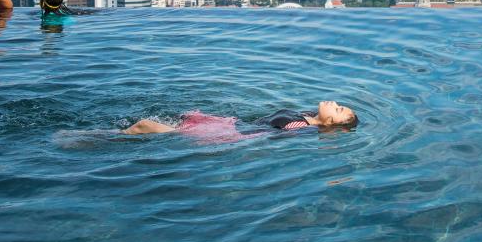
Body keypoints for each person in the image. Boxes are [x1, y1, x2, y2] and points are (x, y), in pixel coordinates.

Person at [123, 101, 359, 143]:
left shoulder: (301, 127)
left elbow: (267, 135)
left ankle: (98, 139)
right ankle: (106, 135)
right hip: (232, 122)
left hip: (232, 132)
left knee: (144, 125)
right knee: (178, 118)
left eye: (337, 109)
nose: (333, 102)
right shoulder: (306, 115)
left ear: (329, 121)